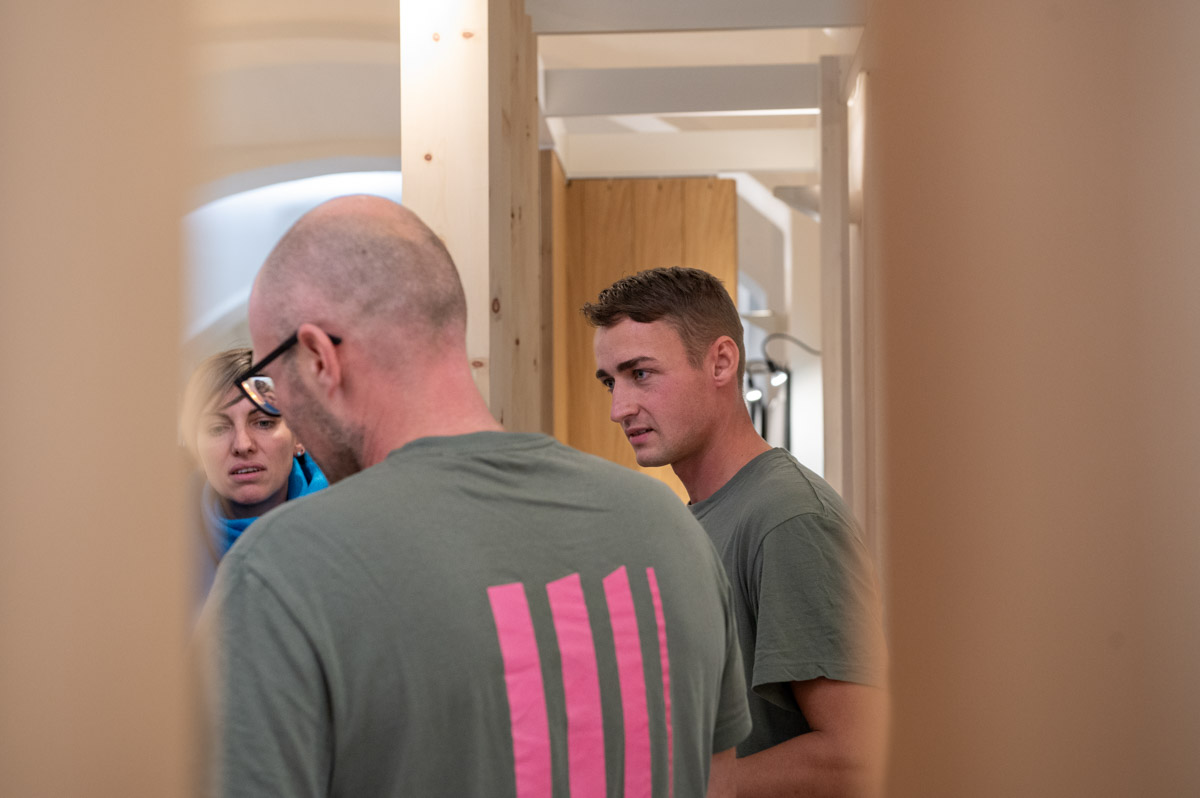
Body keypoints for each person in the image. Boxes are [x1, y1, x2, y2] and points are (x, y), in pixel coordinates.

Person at [198, 196, 751, 798]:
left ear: (319, 358)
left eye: (271, 383)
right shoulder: (671, 530)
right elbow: (716, 779)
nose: (278, 406)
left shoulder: (281, 572)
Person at [584, 266, 889, 797]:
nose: (619, 408)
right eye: (612, 381)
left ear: (721, 362)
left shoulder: (788, 517)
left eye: (642, 374)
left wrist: (686, 787)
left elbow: (859, 752)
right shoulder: (701, 516)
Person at [180, 348, 328, 597]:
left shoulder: (347, 532)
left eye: (263, 423)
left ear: (300, 436)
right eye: (217, 428)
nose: (242, 445)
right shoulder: (159, 543)